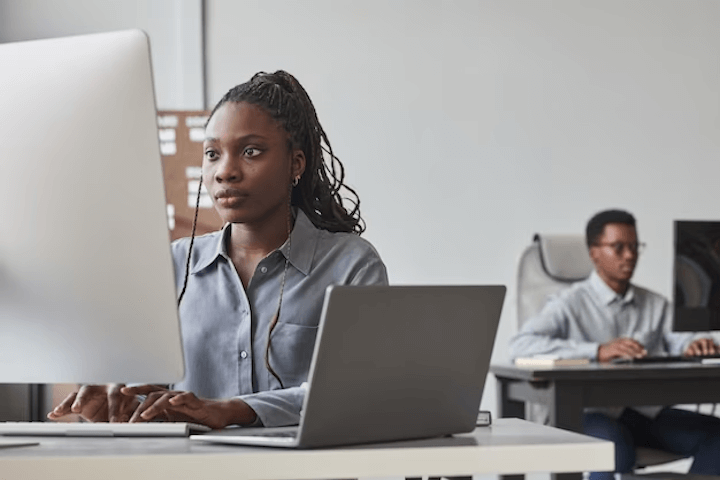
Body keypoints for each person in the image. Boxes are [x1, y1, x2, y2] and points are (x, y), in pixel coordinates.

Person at [48, 70, 388, 429]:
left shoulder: (351, 265)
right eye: (212, 154)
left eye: (251, 151)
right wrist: (114, 410)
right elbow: (152, 402)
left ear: (296, 164)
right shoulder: (173, 266)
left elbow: (356, 393)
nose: (225, 172)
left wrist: (229, 410)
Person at [509, 209, 720, 479]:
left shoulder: (655, 304)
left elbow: (680, 339)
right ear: (593, 252)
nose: (630, 255)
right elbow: (520, 345)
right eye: (618, 247)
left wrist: (697, 344)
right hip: (583, 413)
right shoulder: (568, 303)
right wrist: (597, 351)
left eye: (634, 247)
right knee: (612, 448)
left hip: (642, 412)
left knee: (717, 436)